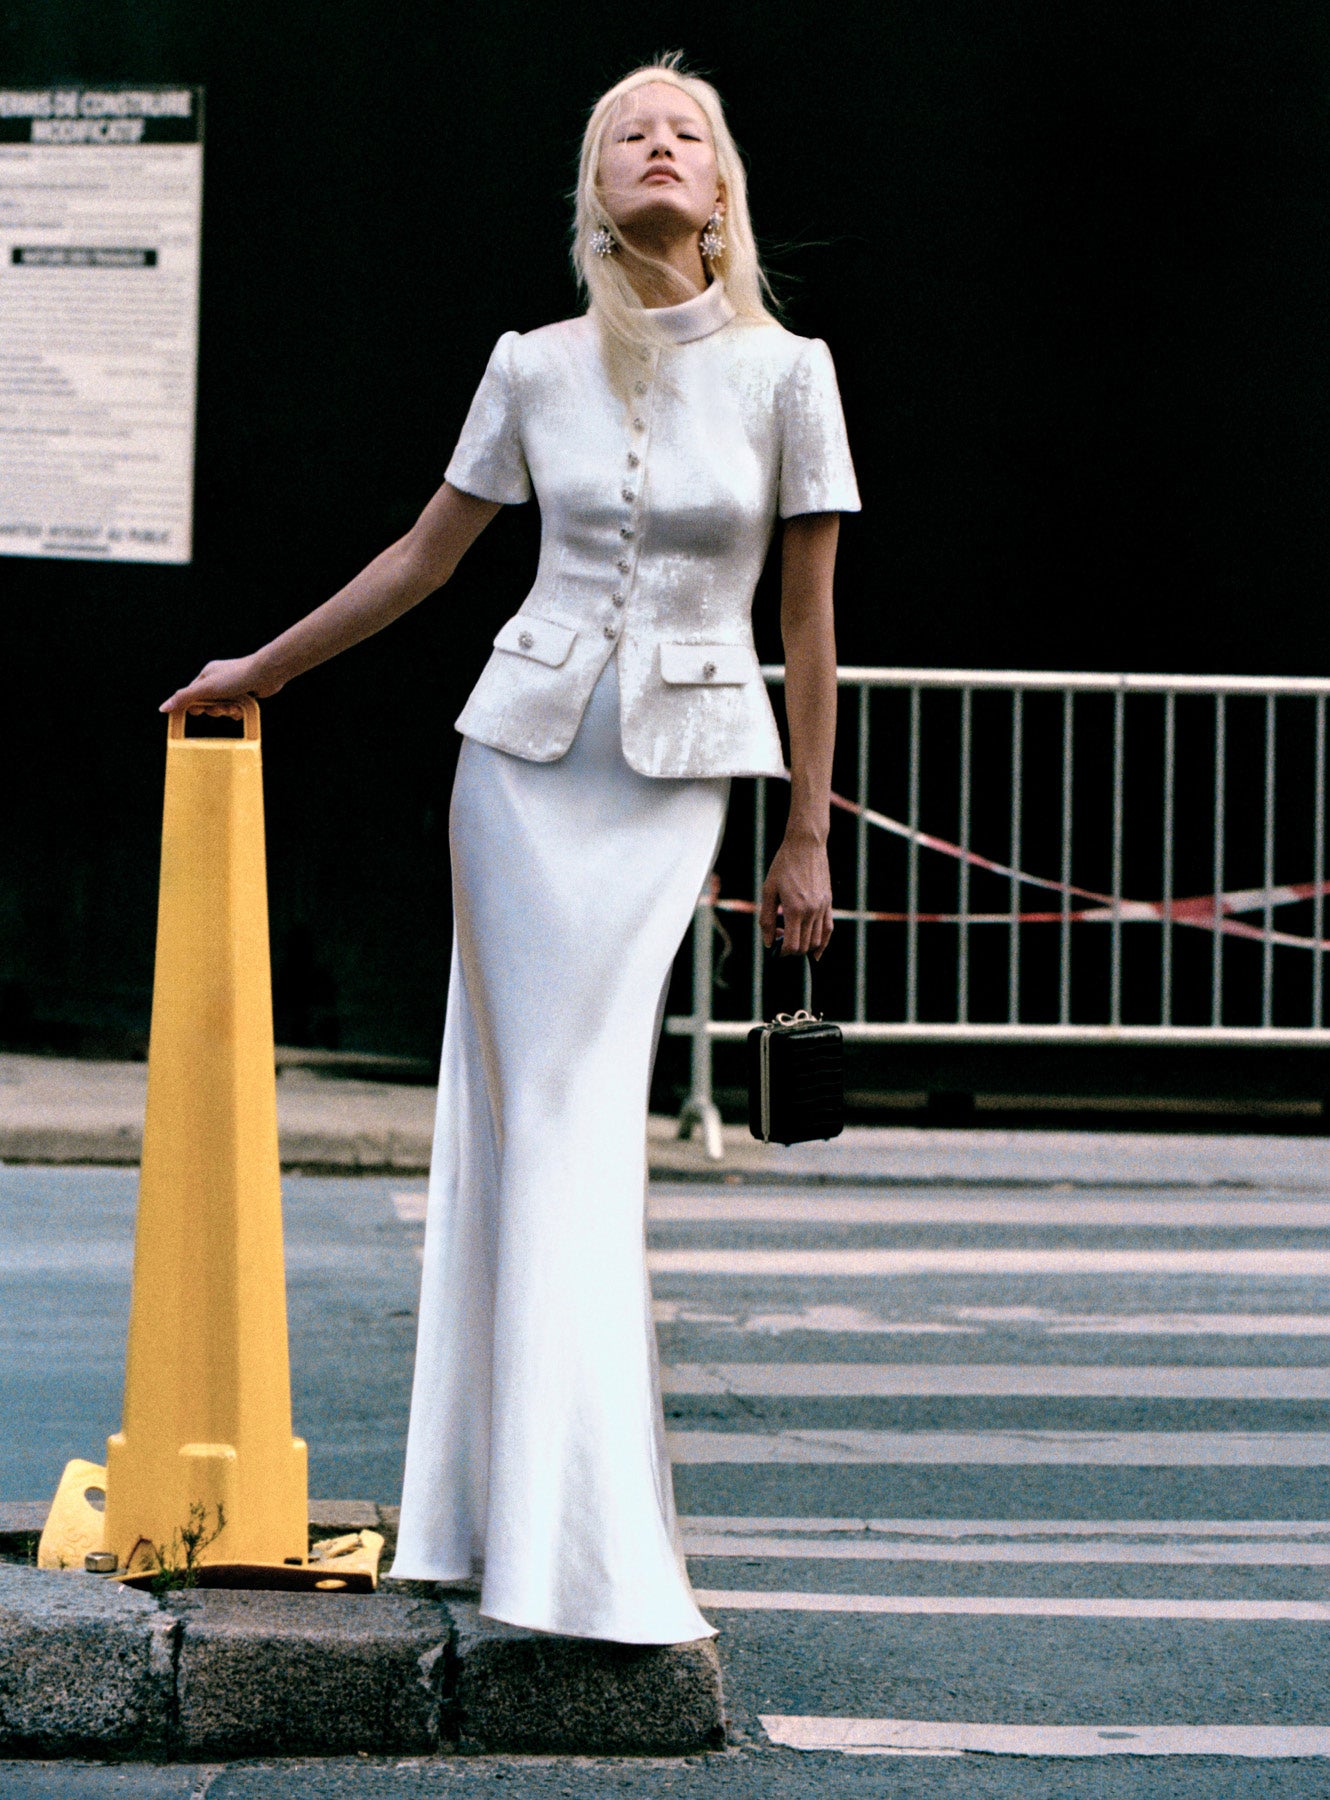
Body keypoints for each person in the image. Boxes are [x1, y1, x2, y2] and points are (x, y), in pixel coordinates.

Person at [161, 55, 859, 1644]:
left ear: (721, 186)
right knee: (526, 1125)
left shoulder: (788, 374)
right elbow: (423, 559)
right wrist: (258, 670)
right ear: (594, 192)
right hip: (517, 774)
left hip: (675, 779)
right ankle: (524, 1536)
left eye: (684, 131)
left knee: (573, 1118)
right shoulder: (532, 364)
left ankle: (557, 1535)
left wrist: (806, 828)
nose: (657, 146)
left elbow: (807, 626)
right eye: (627, 133)